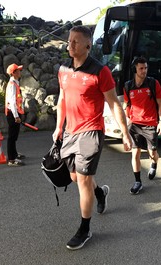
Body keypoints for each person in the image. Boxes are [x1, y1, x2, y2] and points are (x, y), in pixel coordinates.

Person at [53, 25, 132, 250]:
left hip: (91, 132)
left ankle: (85, 228)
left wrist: (125, 133)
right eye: (69, 41)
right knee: (76, 178)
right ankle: (101, 193)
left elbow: (114, 104)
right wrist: (59, 128)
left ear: (88, 45)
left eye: (75, 42)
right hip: (70, 132)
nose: (70, 44)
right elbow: (62, 101)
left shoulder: (100, 71)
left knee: (84, 180)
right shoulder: (63, 69)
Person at [123, 56, 161, 195]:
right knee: (135, 153)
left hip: (150, 124)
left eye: (146, 68)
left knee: (152, 153)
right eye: (141, 68)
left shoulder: (153, 83)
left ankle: (154, 163)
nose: (144, 71)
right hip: (135, 124)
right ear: (135, 69)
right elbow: (127, 105)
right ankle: (137, 182)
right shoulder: (128, 86)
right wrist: (126, 122)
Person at [5, 63, 26, 166]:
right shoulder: (12, 85)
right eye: (18, 70)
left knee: (14, 136)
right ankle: (11, 159)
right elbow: (12, 101)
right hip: (13, 113)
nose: (20, 72)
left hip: (15, 112)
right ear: (13, 73)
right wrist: (16, 116)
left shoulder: (15, 83)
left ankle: (14, 153)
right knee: (12, 136)